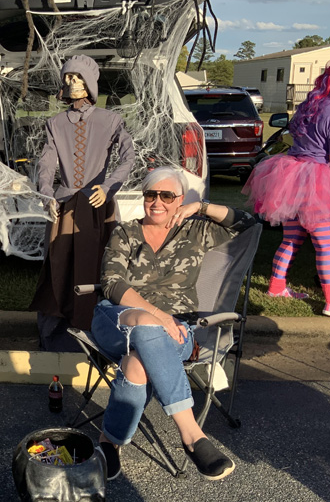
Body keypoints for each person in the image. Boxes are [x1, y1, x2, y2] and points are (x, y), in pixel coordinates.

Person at [92, 166, 257, 481]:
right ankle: (192, 435)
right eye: (151, 194)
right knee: (146, 322)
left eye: (167, 196)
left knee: (137, 365)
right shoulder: (126, 233)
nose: (157, 202)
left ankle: (109, 440)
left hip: (178, 331)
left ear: (180, 200)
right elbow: (112, 283)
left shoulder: (195, 232)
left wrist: (201, 207)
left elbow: (248, 222)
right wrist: (160, 316)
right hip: (117, 319)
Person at [243, 49, 330, 318]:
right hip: (319, 184)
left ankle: (277, 287)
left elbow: (305, 141)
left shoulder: (311, 106)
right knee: (325, 245)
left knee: (291, 238)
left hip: (292, 177)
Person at [29, 55, 135, 347]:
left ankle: (97, 325)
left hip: (98, 206)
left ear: (89, 82)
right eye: (67, 78)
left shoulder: (110, 120)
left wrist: (109, 186)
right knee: (59, 264)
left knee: (99, 265)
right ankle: (59, 330)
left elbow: (128, 157)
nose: (71, 82)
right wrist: (46, 192)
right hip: (64, 207)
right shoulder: (55, 123)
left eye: (76, 77)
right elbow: (46, 163)